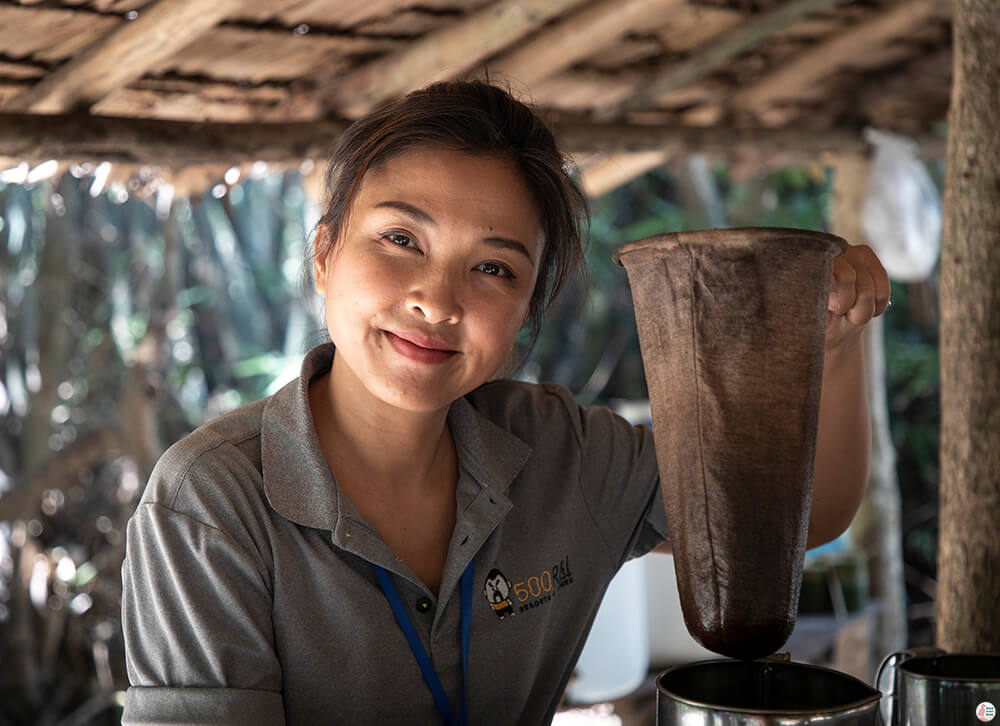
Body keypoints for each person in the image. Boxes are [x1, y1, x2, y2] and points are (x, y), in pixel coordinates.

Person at [120, 80, 891, 725]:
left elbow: (791, 520)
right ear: (324, 257)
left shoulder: (563, 455)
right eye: (400, 240)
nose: (436, 300)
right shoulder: (209, 505)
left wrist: (834, 341)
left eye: (493, 268)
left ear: (525, 308)